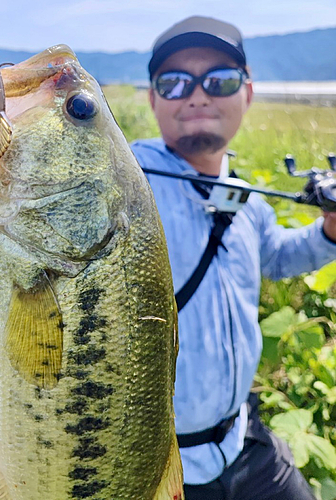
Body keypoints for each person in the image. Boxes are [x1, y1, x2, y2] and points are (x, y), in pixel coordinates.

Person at [131, 15, 336, 500]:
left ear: (246, 93)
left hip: (245, 440)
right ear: (152, 98)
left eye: (218, 80)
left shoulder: (249, 199)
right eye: (174, 82)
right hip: (156, 464)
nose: (197, 95)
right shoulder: (127, 188)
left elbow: (277, 258)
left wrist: (329, 230)